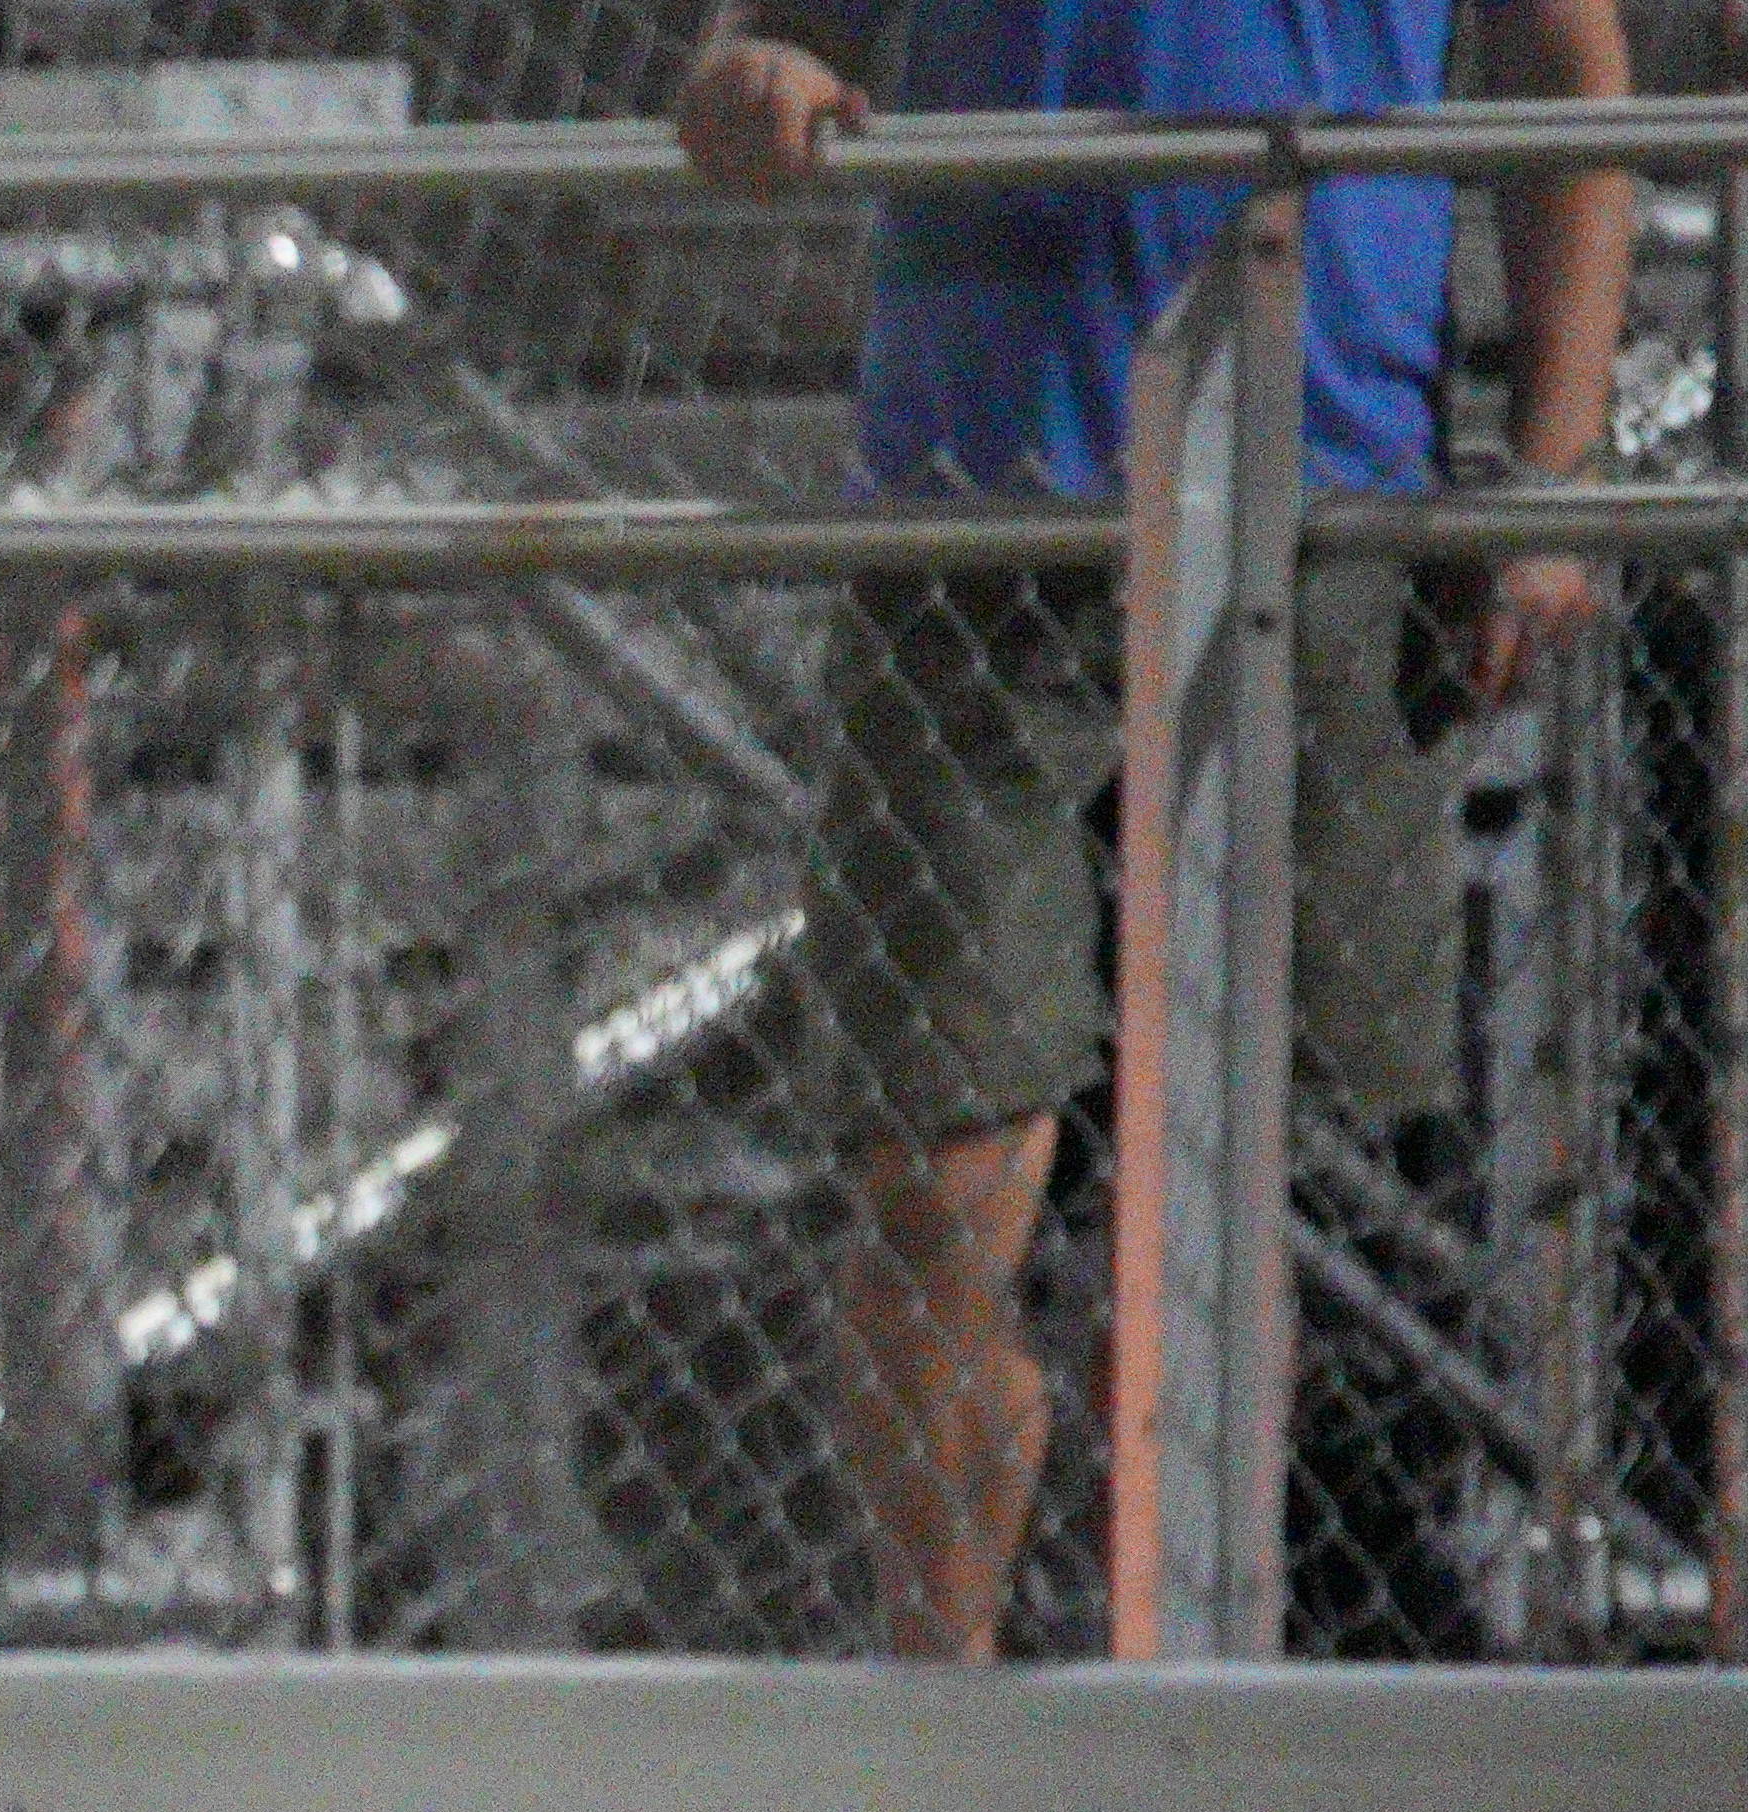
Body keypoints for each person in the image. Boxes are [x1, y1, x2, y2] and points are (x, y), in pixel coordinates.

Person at [676, 0, 1628, 1657]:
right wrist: (743, 78)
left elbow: (1573, 64)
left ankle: (1193, 1697)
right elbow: (761, 42)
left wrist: (1552, 470)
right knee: (934, 1167)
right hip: (980, 494)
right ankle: (945, 1726)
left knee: (1245, 1198)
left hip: (1315, 480)